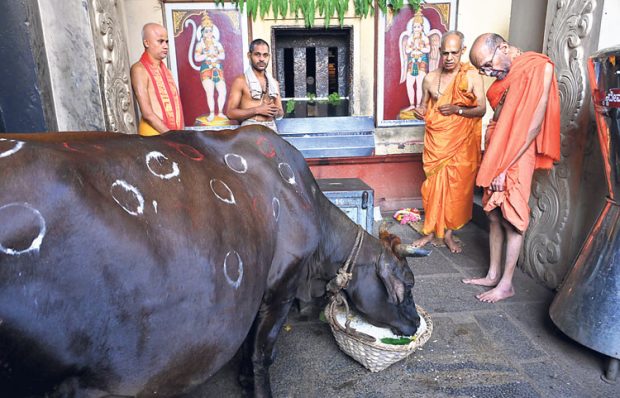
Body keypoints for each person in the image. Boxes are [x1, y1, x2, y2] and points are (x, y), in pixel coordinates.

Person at [462, 33, 561, 302]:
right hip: (496, 148)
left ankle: (506, 284)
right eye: (482, 70)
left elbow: (533, 126)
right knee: (492, 213)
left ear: (503, 48)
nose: (487, 73)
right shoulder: (503, 77)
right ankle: (493, 275)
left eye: (487, 65)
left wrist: (505, 166)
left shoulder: (539, 66)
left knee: (512, 219)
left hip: (517, 153)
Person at [410, 31, 486, 253]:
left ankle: (449, 235)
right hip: (437, 143)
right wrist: (420, 111)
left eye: (454, 52)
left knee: (457, 190)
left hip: (461, 144)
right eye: (445, 53)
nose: (450, 57)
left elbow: (481, 109)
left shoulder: (471, 77)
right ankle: (431, 232)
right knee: (433, 187)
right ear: (439, 53)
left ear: (462, 51)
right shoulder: (430, 78)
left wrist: (457, 109)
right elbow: (424, 106)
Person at [130, 23, 184, 136]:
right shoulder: (139, 69)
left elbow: (177, 107)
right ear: (146, 43)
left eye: (166, 41)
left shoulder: (167, 71)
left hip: (172, 135)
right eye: (160, 41)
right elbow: (147, 113)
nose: (165, 46)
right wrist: (171, 136)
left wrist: (181, 136)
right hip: (153, 135)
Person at [226, 39, 283, 132]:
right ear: (249, 55)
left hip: (271, 128)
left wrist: (276, 111)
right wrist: (258, 110)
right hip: (250, 128)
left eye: (265, 55)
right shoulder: (240, 81)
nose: (261, 59)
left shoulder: (274, 83)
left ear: (269, 56)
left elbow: (280, 112)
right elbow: (230, 113)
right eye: (257, 54)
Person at [194, 14, 227, 123]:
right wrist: (207, 55)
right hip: (206, 69)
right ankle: (212, 113)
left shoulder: (218, 44)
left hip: (217, 68)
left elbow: (223, 56)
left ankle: (220, 112)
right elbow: (196, 58)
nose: (208, 33)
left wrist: (215, 54)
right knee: (210, 92)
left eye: (210, 31)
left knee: (222, 91)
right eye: (206, 31)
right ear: (202, 32)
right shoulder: (200, 45)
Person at [399, 10, 431, 111]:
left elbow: (428, 49)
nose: (416, 29)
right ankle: (412, 104)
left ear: (422, 27)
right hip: (412, 62)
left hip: (421, 61)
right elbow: (407, 50)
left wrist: (420, 48)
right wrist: (413, 48)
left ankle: (418, 105)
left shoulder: (425, 38)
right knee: (409, 83)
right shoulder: (410, 38)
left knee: (419, 83)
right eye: (414, 27)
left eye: (418, 26)